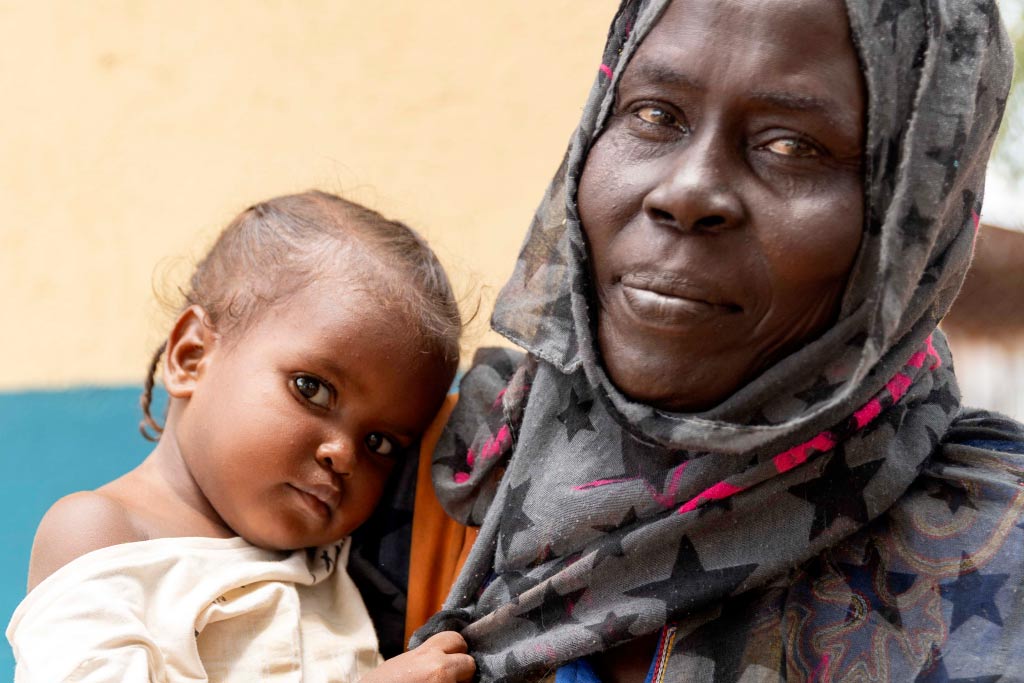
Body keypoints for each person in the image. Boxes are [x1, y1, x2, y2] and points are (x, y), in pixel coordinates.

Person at [404, 0, 1024, 681]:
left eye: (792, 145)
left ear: (917, 218)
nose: (689, 191)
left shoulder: (997, 568)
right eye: (654, 114)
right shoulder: (405, 460)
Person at [7, 191, 476, 683]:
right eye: (312, 389)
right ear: (191, 357)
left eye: (380, 443)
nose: (343, 454)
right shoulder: (103, 533)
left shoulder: (337, 562)